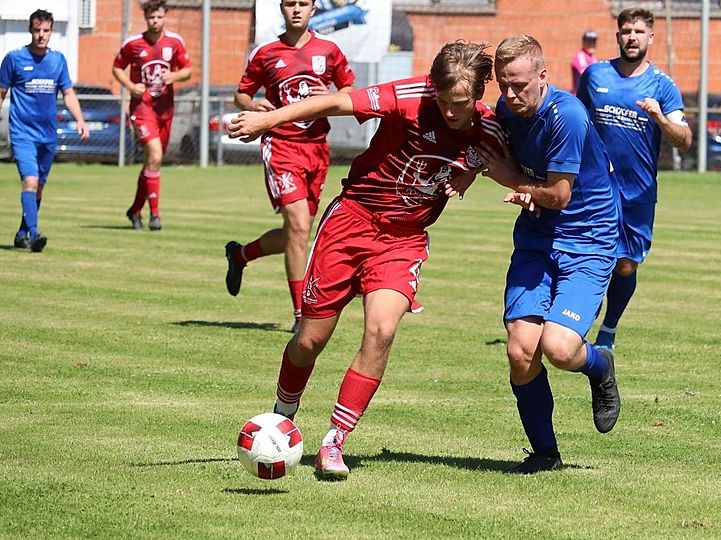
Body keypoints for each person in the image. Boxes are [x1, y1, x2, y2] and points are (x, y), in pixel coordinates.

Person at [228, 40, 504, 479]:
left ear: (480, 94)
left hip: (403, 240)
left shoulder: (490, 128)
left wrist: (471, 173)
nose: (451, 111)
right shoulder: (411, 96)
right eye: (444, 100)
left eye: (461, 103)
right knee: (309, 341)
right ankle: (282, 416)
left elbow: (506, 162)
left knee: (382, 329)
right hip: (351, 222)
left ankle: (334, 443)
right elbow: (337, 100)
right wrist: (268, 119)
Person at [477, 34, 620, 474]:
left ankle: (600, 367)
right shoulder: (506, 110)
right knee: (521, 351)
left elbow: (557, 195)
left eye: (520, 84)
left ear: (543, 76)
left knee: (559, 349)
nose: (511, 95)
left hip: (588, 238)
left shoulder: (568, 117)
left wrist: (510, 180)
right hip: (538, 238)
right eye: (504, 85)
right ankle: (545, 454)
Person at [223, 0, 355, 331]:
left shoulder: (329, 51)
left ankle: (240, 255)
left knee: (296, 235)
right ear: (281, 9)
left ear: (313, 9)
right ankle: (301, 315)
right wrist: (253, 105)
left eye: (303, 4)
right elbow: (241, 94)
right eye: (290, 4)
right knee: (297, 227)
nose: (296, 9)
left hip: (317, 149)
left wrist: (330, 95)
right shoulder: (266, 52)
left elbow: (350, 89)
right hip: (280, 147)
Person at [577, 7, 692, 351]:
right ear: (617, 36)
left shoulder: (663, 86)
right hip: (595, 188)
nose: (632, 37)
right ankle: (577, 320)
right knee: (592, 258)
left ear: (650, 38)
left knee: (625, 266)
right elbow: (576, 121)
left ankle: (609, 328)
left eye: (639, 32)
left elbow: (684, 140)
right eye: (626, 31)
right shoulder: (595, 75)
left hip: (638, 192)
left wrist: (660, 118)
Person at [0, 9, 89, 252]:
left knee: (38, 186)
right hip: (22, 133)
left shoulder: (57, 60)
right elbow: (1, 92)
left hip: (47, 135)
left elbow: (68, 93)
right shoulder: (14, 59)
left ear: (51, 31)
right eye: (37, 30)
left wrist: (79, 119)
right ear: (30, 30)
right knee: (29, 181)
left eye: (46, 31)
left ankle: (21, 233)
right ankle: (35, 233)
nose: (41, 35)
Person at [112, 0, 192, 231]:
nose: (155, 21)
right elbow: (117, 67)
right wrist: (130, 86)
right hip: (142, 109)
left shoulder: (175, 42)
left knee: (151, 162)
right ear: (146, 19)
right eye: (151, 18)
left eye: (159, 17)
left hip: (165, 110)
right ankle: (155, 215)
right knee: (155, 155)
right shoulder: (133, 44)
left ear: (165, 16)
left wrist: (174, 77)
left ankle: (135, 210)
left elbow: (187, 71)